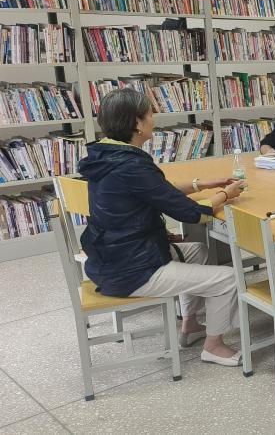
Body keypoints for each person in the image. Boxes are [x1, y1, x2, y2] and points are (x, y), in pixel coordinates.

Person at [79, 88, 247, 367]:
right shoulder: (131, 165)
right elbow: (192, 214)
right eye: (149, 113)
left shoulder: (107, 156)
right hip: (132, 270)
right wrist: (226, 194)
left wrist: (201, 184)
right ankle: (213, 347)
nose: (153, 119)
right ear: (137, 123)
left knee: (198, 250)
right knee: (228, 278)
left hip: (111, 258)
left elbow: (157, 190)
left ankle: (190, 324)